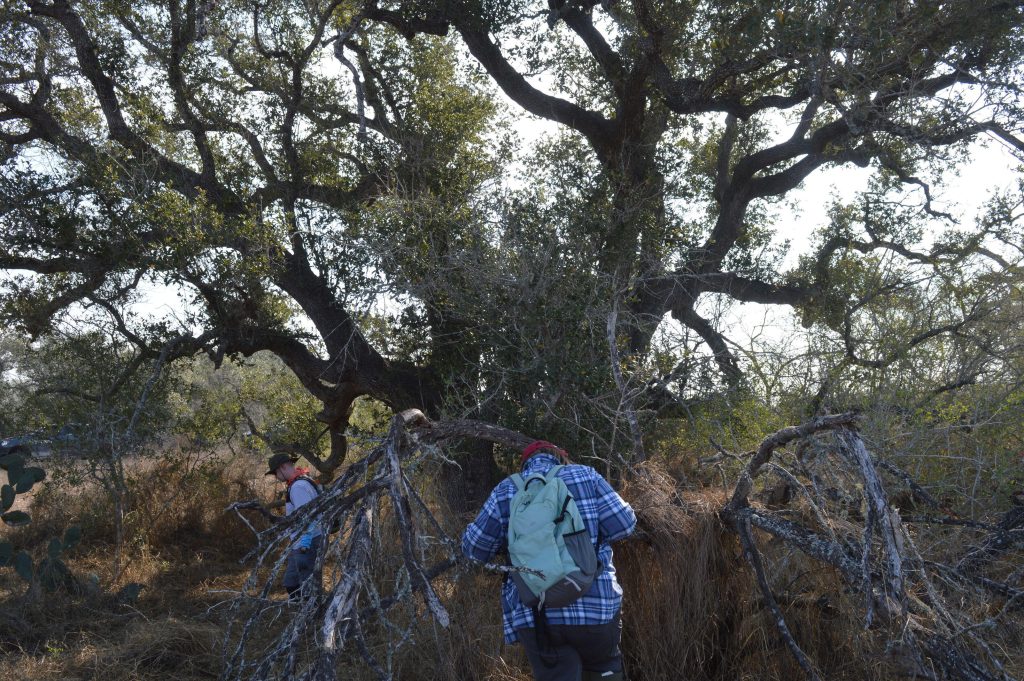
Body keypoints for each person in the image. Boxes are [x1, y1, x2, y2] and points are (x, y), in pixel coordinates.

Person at [462, 441, 637, 681]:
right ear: (562, 458)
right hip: (596, 607)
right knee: (604, 671)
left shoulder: (506, 489)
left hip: (536, 614)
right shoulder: (586, 475)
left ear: (524, 463)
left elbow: (474, 550)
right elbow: (624, 525)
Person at [266, 452, 323, 601]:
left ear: (283, 467)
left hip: (306, 543)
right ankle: (302, 613)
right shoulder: (303, 481)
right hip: (301, 541)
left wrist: (304, 544)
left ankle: (311, 617)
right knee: (292, 583)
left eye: (276, 472)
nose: (276, 477)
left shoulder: (298, 487)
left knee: (307, 587)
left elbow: (307, 517)